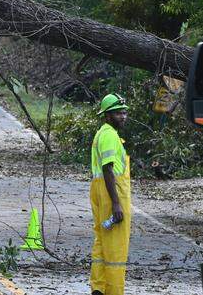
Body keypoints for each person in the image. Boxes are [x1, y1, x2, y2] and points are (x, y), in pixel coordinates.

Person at [90, 93, 131, 295]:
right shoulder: (109, 135)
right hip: (111, 194)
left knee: (102, 243)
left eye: (124, 112)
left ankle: (99, 287)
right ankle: (113, 291)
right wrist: (116, 204)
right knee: (116, 249)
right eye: (118, 113)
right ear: (107, 115)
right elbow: (108, 169)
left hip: (101, 191)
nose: (123, 116)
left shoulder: (103, 133)